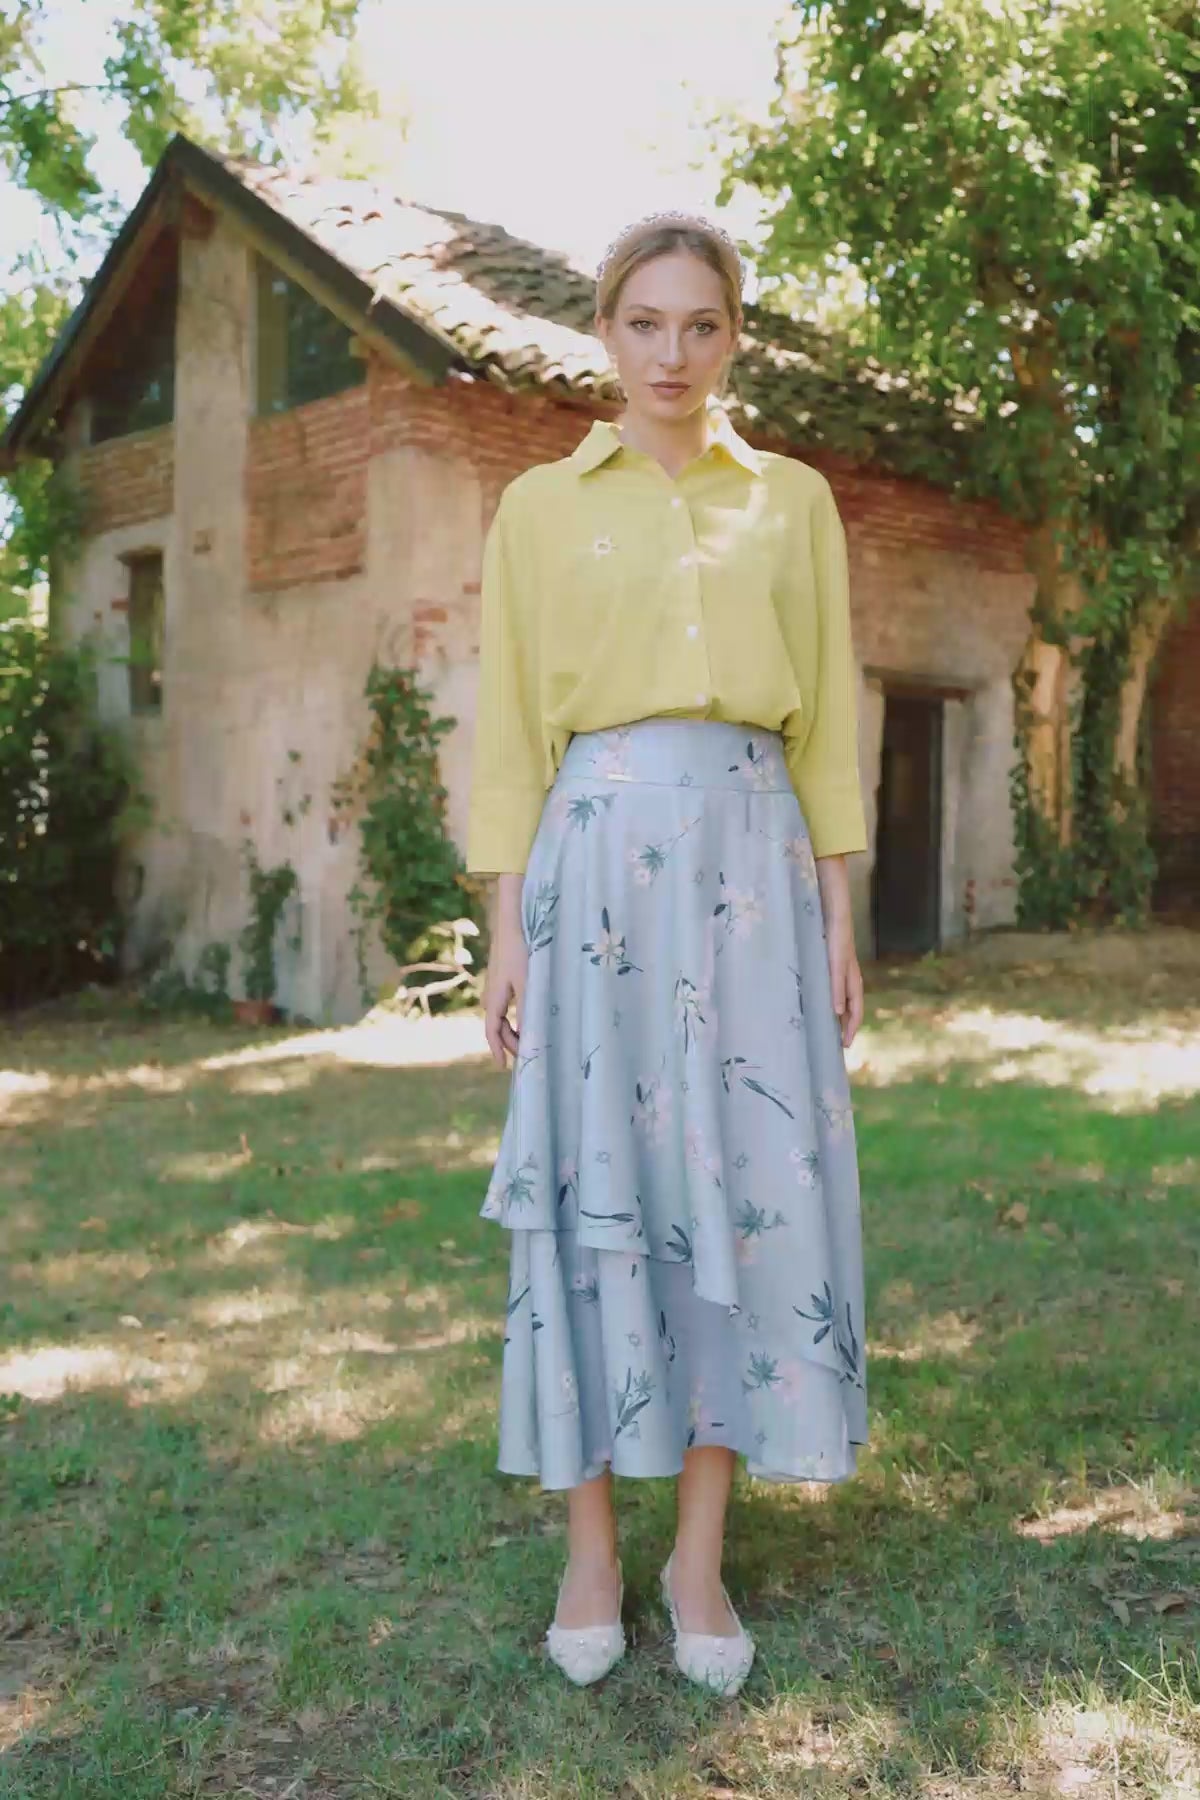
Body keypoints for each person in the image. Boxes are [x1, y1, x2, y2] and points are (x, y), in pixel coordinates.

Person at [464, 210, 869, 1696]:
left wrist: (840, 913)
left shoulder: (795, 501)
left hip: (754, 871)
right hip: (593, 875)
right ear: (605, 330)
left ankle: (697, 1559)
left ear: (734, 336)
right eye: (645, 322)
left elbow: (828, 719)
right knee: (594, 1192)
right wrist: (504, 933)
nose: (672, 354)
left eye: (701, 325)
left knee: (739, 1193)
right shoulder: (536, 508)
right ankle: (591, 1552)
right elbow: (509, 733)